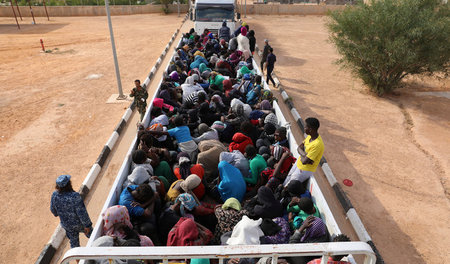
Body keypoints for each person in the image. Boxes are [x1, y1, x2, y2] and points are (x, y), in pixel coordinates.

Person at [50, 175, 92, 248]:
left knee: (74, 245)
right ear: (69, 184)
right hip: (79, 224)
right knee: (93, 236)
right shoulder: (75, 196)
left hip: (67, 225)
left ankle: (77, 259)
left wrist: (59, 214)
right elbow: (82, 213)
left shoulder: (55, 195)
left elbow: (53, 210)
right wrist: (87, 225)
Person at [283, 117, 324, 186]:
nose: (304, 128)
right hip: (299, 163)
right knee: (287, 178)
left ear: (310, 129)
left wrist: (303, 155)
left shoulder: (317, 144)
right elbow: (299, 148)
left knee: (289, 185)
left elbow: (304, 162)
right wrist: (305, 155)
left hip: (305, 170)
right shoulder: (310, 137)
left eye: (305, 127)